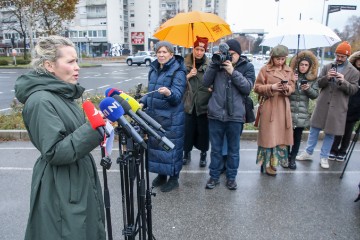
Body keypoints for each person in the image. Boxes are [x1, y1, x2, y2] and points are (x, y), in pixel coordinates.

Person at [14, 36, 106, 239]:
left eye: (77, 61)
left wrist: (97, 121)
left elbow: (74, 136)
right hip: (61, 186)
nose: (77, 67)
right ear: (49, 65)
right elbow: (55, 151)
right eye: (71, 61)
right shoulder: (40, 101)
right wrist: (93, 128)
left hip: (75, 179)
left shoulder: (61, 95)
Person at [296, 41, 359, 169]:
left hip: (339, 106)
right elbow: (318, 83)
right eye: (337, 55)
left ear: (347, 56)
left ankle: (324, 157)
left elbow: (353, 90)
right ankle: (308, 152)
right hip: (323, 104)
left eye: (342, 56)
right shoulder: (328, 66)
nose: (339, 58)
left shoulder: (354, 72)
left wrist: (343, 81)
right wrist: (327, 77)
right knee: (314, 129)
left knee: (330, 133)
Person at [203, 39, 255, 190]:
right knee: (216, 150)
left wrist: (232, 71)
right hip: (215, 114)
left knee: (233, 150)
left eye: (232, 54)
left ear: (239, 54)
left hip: (236, 115)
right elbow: (205, 82)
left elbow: (247, 88)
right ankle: (214, 177)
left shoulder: (248, 66)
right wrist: (214, 63)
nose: (228, 57)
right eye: (226, 53)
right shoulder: (217, 64)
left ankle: (231, 178)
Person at [139, 41, 186, 192]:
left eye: (165, 52)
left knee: (171, 148)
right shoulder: (153, 70)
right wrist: (142, 102)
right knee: (158, 147)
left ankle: (174, 179)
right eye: (159, 52)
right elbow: (151, 92)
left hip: (172, 119)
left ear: (171, 54)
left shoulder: (178, 71)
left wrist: (168, 93)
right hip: (155, 117)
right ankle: (162, 175)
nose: (161, 55)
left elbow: (177, 96)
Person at [254, 45, 295, 176]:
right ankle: (266, 164)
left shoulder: (289, 71)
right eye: (278, 59)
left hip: (283, 107)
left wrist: (286, 88)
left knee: (279, 138)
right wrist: (272, 87)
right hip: (269, 105)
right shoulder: (265, 70)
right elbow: (257, 87)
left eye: (283, 59)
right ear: (272, 58)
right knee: (268, 137)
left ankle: (274, 162)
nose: (280, 61)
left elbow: (292, 87)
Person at [287, 50, 319, 169]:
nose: (303, 67)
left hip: (302, 114)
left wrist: (308, 89)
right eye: (301, 64)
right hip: (289, 111)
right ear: (297, 65)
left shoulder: (312, 79)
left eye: (306, 65)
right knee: (287, 137)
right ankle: (286, 157)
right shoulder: (291, 76)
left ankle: (293, 159)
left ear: (309, 66)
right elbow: (286, 93)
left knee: (297, 138)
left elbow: (315, 95)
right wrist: (292, 83)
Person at [182, 36, 211, 167]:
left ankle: (203, 155)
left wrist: (212, 88)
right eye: (197, 49)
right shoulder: (184, 63)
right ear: (192, 49)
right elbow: (177, 83)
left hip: (203, 104)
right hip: (188, 103)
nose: (199, 52)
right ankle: (186, 153)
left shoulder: (210, 65)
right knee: (188, 131)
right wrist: (188, 75)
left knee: (203, 132)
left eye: (202, 50)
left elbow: (214, 81)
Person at [329, 50, 360, 161]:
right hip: (344, 102)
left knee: (348, 131)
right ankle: (333, 149)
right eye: (358, 60)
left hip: (356, 106)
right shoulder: (350, 71)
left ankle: (343, 151)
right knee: (338, 128)